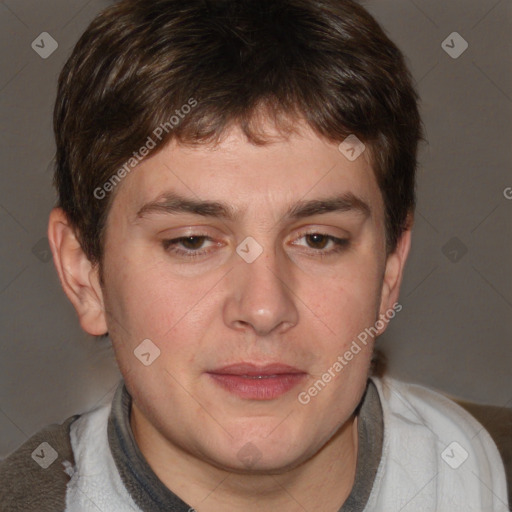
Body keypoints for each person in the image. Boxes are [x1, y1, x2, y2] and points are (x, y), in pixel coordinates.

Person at [0, 0, 509, 510]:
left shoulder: (486, 474)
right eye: (192, 241)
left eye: (318, 240)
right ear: (84, 273)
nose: (264, 309)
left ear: (389, 273)